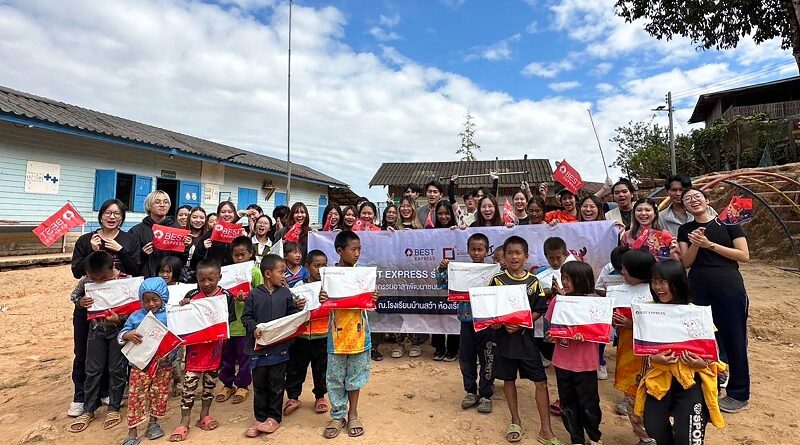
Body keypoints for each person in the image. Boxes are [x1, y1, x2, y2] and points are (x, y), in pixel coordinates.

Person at [634, 260, 726, 445]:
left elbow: (712, 353)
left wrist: (702, 364)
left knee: (688, 436)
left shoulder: (696, 314)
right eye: (654, 281)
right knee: (653, 426)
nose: (657, 287)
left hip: (691, 380)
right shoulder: (648, 312)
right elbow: (644, 349)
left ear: (677, 282)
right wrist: (654, 358)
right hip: (660, 377)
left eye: (663, 282)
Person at [677, 187, 750, 413]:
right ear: (684, 207)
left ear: (707, 200)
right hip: (698, 289)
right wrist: (696, 243)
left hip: (729, 288)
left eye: (697, 196)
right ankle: (708, 386)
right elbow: (686, 263)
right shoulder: (685, 229)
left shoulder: (728, 222)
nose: (693, 200)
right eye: (687, 199)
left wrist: (709, 244)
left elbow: (743, 255)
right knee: (702, 339)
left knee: (734, 340)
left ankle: (739, 393)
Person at [489, 236, 562, 445]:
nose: (514, 257)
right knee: (508, 380)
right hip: (504, 341)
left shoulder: (533, 281)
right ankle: (515, 421)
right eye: (509, 253)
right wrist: (498, 323)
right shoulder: (497, 280)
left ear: (526, 256)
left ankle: (546, 429)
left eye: (518, 253)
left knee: (541, 382)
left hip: (526, 341)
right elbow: (490, 308)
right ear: (504, 256)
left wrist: (522, 322)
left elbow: (540, 308)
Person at [320, 231, 379, 439]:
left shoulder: (362, 273)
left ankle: (352, 413)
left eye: (359, 249)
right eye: (353, 249)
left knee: (355, 376)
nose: (357, 253)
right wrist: (321, 297)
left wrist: (373, 296)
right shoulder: (329, 275)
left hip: (359, 334)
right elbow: (321, 302)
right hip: (336, 337)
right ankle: (338, 415)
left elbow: (369, 303)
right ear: (340, 250)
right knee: (335, 378)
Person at [169, 259, 234, 442]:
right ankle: (184, 421)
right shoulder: (192, 295)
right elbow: (182, 320)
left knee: (210, 385)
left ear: (219, 277)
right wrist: (183, 306)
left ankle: (204, 415)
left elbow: (229, 321)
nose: (206, 283)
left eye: (210, 279)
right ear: (196, 278)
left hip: (215, 350)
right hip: (195, 351)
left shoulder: (226, 296)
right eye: (201, 279)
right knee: (189, 386)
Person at [240, 253, 305, 437]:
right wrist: (253, 327)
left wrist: (298, 309)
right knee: (259, 386)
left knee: (277, 384)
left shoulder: (285, 294)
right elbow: (246, 317)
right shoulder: (254, 294)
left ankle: (274, 418)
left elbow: (291, 315)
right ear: (268, 274)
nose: (284, 275)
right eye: (281, 272)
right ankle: (260, 418)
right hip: (258, 350)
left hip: (279, 349)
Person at [68, 252, 129, 433]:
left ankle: (114, 408)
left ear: (112, 268)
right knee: (92, 369)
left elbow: (135, 309)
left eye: (102, 278)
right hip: (95, 330)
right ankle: (89, 409)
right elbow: (73, 296)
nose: (98, 281)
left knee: (117, 369)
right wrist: (80, 302)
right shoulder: (87, 280)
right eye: (94, 278)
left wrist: (120, 319)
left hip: (118, 331)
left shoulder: (126, 281)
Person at [436, 233, 495, 413]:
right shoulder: (461, 270)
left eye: (480, 249)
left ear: (487, 251)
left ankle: (486, 394)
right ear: (468, 251)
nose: (476, 253)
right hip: (467, 322)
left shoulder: (494, 272)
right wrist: (442, 269)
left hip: (488, 323)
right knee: (466, 358)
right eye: (473, 249)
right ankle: (470, 391)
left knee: (488, 358)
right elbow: (443, 284)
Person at [545, 261, 603, 445]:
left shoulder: (595, 304)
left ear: (583, 280)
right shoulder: (558, 302)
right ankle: (576, 438)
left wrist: (586, 335)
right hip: (562, 362)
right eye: (563, 278)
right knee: (567, 402)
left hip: (586, 363)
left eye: (569, 278)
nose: (565, 282)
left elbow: (602, 332)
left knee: (589, 403)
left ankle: (594, 437)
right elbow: (552, 328)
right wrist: (552, 335)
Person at [117, 277, 178, 444]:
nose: (151, 304)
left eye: (155, 299)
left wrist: (171, 355)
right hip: (140, 365)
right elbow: (121, 334)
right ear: (141, 300)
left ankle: (153, 424)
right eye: (146, 300)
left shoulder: (171, 315)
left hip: (163, 365)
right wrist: (127, 335)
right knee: (136, 396)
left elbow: (177, 339)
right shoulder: (136, 316)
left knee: (159, 394)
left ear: (163, 297)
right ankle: (132, 432)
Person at [613, 249, 657, 445]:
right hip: (627, 353)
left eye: (626, 269)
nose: (622, 272)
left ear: (638, 272)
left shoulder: (657, 294)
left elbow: (660, 325)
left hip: (648, 359)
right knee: (631, 396)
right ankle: (644, 437)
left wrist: (631, 324)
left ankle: (651, 436)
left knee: (648, 397)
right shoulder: (621, 290)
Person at [216, 236, 264, 406]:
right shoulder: (226, 273)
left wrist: (248, 298)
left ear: (251, 253)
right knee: (227, 357)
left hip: (246, 325)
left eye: (243, 254)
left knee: (245, 358)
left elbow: (261, 294)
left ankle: (243, 385)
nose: (239, 258)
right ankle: (227, 384)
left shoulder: (255, 272)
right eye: (236, 255)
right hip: (229, 324)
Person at [284, 250, 330, 416]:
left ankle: (320, 396)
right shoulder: (299, 286)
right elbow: (291, 307)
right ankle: (293, 397)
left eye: (324, 266)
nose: (320, 269)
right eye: (316, 266)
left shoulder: (329, 287)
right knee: (295, 367)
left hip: (323, 335)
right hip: (300, 336)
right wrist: (296, 304)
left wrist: (328, 300)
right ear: (307, 267)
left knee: (321, 368)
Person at [71, 198, 140, 279]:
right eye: (107, 213)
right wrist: (93, 252)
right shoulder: (85, 240)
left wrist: (121, 251)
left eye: (117, 213)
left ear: (122, 217)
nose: (112, 217)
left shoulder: (131, 240)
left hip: (121, 286)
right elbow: (77, 273)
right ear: (101, 216)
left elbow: (135, 271)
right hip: (93, 286)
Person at [429, 200, 460, 361]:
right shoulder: (429, 233)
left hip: (456, 279)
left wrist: (460, 231)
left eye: (446, 213)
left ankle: (453, 348)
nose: (443, 216)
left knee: (454, 313)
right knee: (438, 313)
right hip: (437, 279)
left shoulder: (459, 231)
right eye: (440, 213)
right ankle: (439, 347)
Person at [130, 190, 177, 278]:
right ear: (149, 206)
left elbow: (181, 259)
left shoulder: (177, 229)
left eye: (166, 202)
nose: (162, 205)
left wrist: (186, 247)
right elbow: (130, 261)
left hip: (171, 279)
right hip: (146, 278)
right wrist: (143, 254)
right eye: (157, 202)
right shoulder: (136, 231)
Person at [191, 201, 244, 271]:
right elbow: (194, 262)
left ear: (234, 214)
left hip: (234, 272)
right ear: (218, 215)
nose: (227, 214)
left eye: (230, 212)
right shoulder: (210, 233)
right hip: (213, 273)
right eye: (223, 212)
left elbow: (247, 256)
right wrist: (203, 248)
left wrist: (245, 239)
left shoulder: (240, 232)